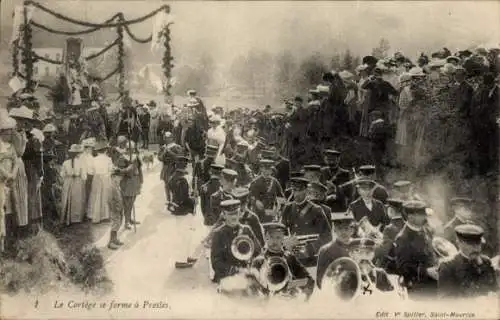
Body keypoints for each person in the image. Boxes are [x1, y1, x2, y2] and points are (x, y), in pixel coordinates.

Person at [250, 222, 315, 298]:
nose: (274, 241)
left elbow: (309, 281)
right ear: (266, 238)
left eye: (278, 237)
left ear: (283, 239)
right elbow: (252, 287)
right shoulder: (259, 261)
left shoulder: (289, 258)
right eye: (271, 237)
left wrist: (292, 285)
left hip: (289, 302)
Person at [280, 177, 332, 267]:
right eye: (294, 190)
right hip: (293, 257)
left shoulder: (316, 210)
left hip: (312, 259)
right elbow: (281, 232)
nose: (296, 194)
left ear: (306, 191)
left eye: (299, 190)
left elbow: (327, 237)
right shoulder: (288, 208)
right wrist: (286, 242)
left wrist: (308, 249)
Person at [437, 224, 498, 299]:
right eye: (470, 244)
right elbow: (446, 300)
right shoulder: (448, 266)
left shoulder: (486, 262)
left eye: (478, 244)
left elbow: (494, 288)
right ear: (459, 243)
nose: (476, 248)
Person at [393, 200, 438, 299]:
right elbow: (403, 267)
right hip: (418, 287)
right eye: (421, 215)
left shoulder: (425, 230)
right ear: (410, 217)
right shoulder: (402, 238)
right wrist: (426, 271)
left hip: (434, 283)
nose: (425, 217)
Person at [210, 199, 261, 284]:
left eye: (236, 213)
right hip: (227, 277)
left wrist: (254, 267)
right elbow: (216, 263)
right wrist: (237, 271)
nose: (234, 217)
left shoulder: (246, 230)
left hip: (247, 275)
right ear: (224, 215)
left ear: (240, 214)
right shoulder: (218, 234)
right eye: (230, 214)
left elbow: (258, 252)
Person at [316, 211, 356, 289]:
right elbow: (320, 280)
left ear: (352, 230)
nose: (343, 232)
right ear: (334, 230)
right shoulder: (325, 250)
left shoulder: (359, 246)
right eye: (339, 228)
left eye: (346, 228)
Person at [248, 159, 285, 223]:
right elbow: (250, 197)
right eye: (266, 169)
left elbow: (281, 197)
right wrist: (256, 201)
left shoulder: (275, 182)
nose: (268, 172)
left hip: (272, 215)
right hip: (259, 215)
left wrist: (277, 208)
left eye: (269, 169)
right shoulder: (255, 182)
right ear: (261, 169)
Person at [374, 198, 405, 272]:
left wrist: (374, 248)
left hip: (392, 266)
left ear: (391, 211)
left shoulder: (389, 228)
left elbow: (384, 251)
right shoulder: (406, 225)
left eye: (387, 209)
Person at [60, 144, 87, 226]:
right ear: (78, 154)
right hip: (77, 181)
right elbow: (84, 176)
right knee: (76, 199)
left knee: (67, 198)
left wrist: (67, 177)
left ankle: (65, 218)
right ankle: (75, 218)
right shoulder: (81, 162)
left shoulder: (65, 162)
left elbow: (62, 174)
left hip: (68, 181)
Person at [87, 141, 112, 223]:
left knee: (96, 195)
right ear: (105, 150)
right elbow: (111, 170)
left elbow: (90, 171)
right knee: (105, 195)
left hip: (97, 177)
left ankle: (94, 215)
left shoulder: (94, 160)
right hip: (106, 177)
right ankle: (105, 215)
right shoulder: (108, 159)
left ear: (97, 151)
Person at [119, 141, 142, 229]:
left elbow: (139, 169)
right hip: (126, 182)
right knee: (127, 202)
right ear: (126, 149)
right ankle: (126, 222)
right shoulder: (122, 158)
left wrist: (141, 180)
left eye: (132, 149)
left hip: (135, 180)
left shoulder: (136, 157)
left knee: (132, 201)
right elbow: (120, 171)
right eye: (129, 149)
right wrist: (127, 169)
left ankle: (129, 219)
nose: (131, 151)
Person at [158, 132, 183, 203]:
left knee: (174, 183)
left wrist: (170, 152)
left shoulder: (176, 146)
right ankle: (168, 199)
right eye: (165, 138)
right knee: (166, 184)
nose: (167, 139)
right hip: (166, 167)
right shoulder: (163, 147)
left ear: (172, 138)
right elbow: (159, 158)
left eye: (169, 138)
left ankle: (175, 198)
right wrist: (164, 152)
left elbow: (179, 157)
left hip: (174, 166)